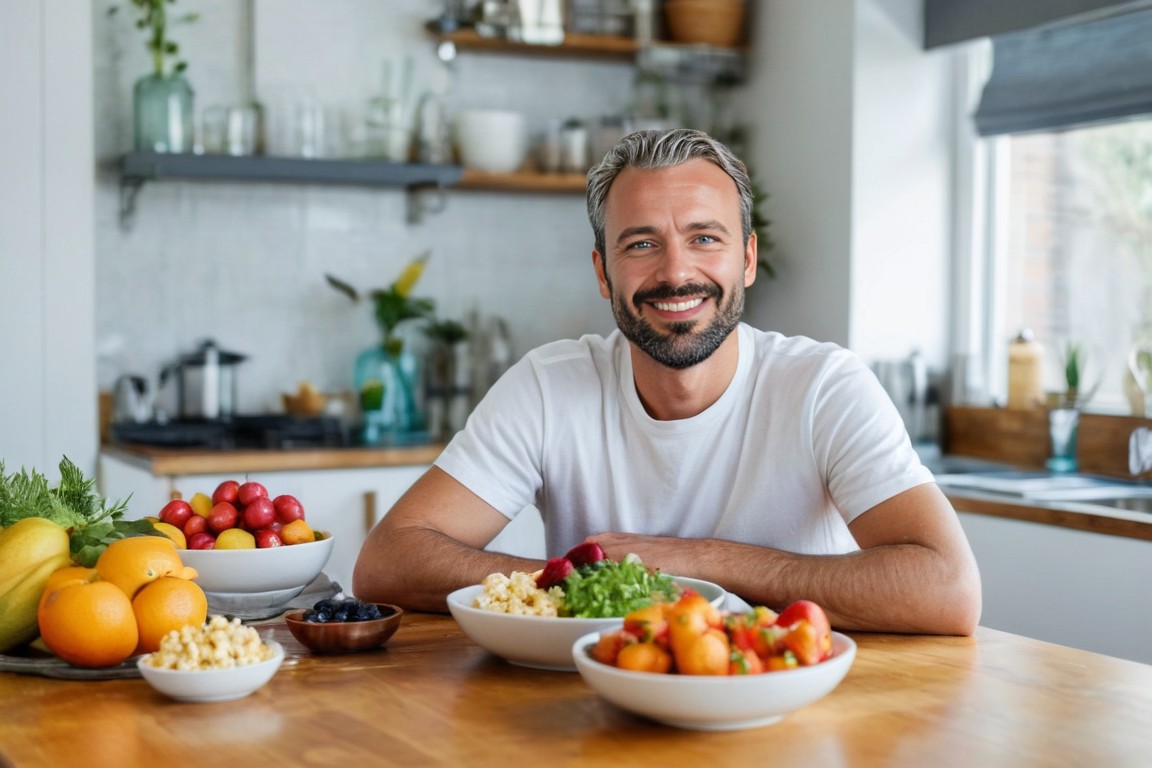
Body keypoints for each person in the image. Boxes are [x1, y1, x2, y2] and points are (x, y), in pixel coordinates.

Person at [353, 128, 981, 635]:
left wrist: (699, 560)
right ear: (603, 272)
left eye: (704, 238)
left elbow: (947, 588)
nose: (675, 273)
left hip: (780, 704)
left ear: (748, 259)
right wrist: (606, 583)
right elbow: (388, 561)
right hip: (598, 708)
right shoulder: (549, 386)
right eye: (641, 244)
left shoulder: (823, 386)